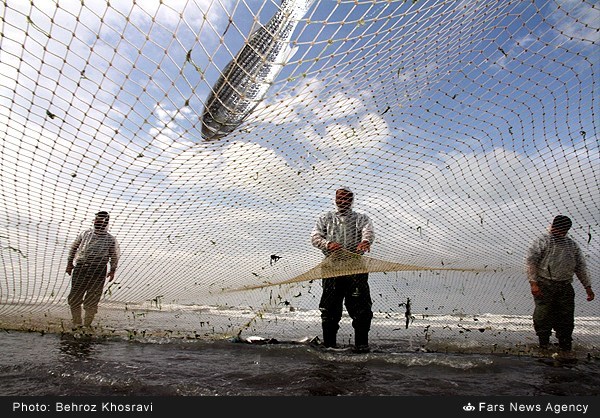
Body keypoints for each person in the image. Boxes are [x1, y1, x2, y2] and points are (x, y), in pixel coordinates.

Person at [311, 187, 375, 352]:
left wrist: (365, 242)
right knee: (329, 309)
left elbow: (368, 232)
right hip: (332, 268)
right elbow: (315, 237)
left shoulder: (361, 218)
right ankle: (329, 346)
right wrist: (328, 244)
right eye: (340, 198)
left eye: (347, 199)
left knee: (361, 309)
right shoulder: (325, 218)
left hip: (356, 268)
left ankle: (361, 347)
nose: (344, 201)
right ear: (335, 199)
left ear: (352, 201)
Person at [525, 215, 594, 351]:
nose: (558, 232)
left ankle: (565, 345)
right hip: (544, 285)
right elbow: (531, 261)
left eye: (562, 230)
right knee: (543, 316)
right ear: (553, 226)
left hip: (565, 286)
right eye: (557, 229)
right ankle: (543, 344)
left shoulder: (571, 245)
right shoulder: (542, 241)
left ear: (566, 230)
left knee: (566, 318)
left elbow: (580, 266)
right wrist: (533, 283)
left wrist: (588, 287)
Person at [65, 211, 120, 328]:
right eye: (97, 219)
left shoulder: (110, 239)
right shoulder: (85, 233)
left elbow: (114, 256)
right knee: (74, 297)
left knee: (92, 299)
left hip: (99, 270)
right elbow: (74, 248)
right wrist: (69, 264)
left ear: (106, 223)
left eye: (101, 220)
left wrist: (112, 270)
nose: (98, 222)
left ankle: (86, 326)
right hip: (81, 267)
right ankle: (77, 322)